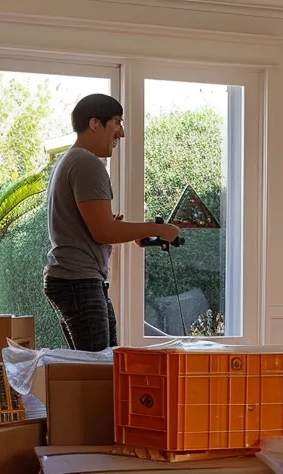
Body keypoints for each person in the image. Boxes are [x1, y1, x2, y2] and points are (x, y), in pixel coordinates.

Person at [43, 93, 180, 351]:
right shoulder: (87, 163)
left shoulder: (69, 161)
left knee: (106, 364)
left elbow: (97, 226)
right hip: (78, 281)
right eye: (117, 122)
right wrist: (159, 229)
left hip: (75, 279)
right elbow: (104, 231)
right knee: (99, 370)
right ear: (95, 123)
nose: (122, 132)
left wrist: (125, 231)